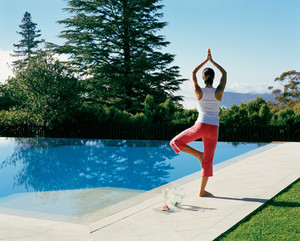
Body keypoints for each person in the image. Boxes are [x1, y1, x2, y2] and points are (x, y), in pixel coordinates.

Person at [170, 49, 227, 197]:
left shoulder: (198, 90)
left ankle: (197, 155)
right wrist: (212, 61)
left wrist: (205, 60)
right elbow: (225, 73)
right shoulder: (219, 91)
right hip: (214, 128)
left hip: (200, 126)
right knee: (208, 161)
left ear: (203, 78)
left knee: (175, 142)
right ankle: (202, 191)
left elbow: (192, 73)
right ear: (214, 78)